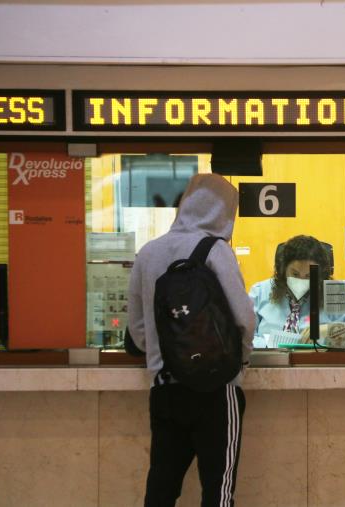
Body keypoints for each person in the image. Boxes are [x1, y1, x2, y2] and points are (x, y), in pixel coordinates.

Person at [128, 173, 256, 507]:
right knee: (218, 490)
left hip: (165, 388)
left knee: (161, 488)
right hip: (215, 389)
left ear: (184, 204)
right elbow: (244, 317)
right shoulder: (216, 250)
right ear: (227, 213)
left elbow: (139, 333)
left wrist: (163, 353)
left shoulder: (147, 253)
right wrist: (240, 359)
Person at [249, 234, 345, 342]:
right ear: (283, 269)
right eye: (295, 274)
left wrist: (330, 330)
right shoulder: (260, 292)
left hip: (315, 362)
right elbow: (242, 337)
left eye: (309, 275)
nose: (301, 280)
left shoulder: (331, 293)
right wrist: (266, 344)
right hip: (268, 361)